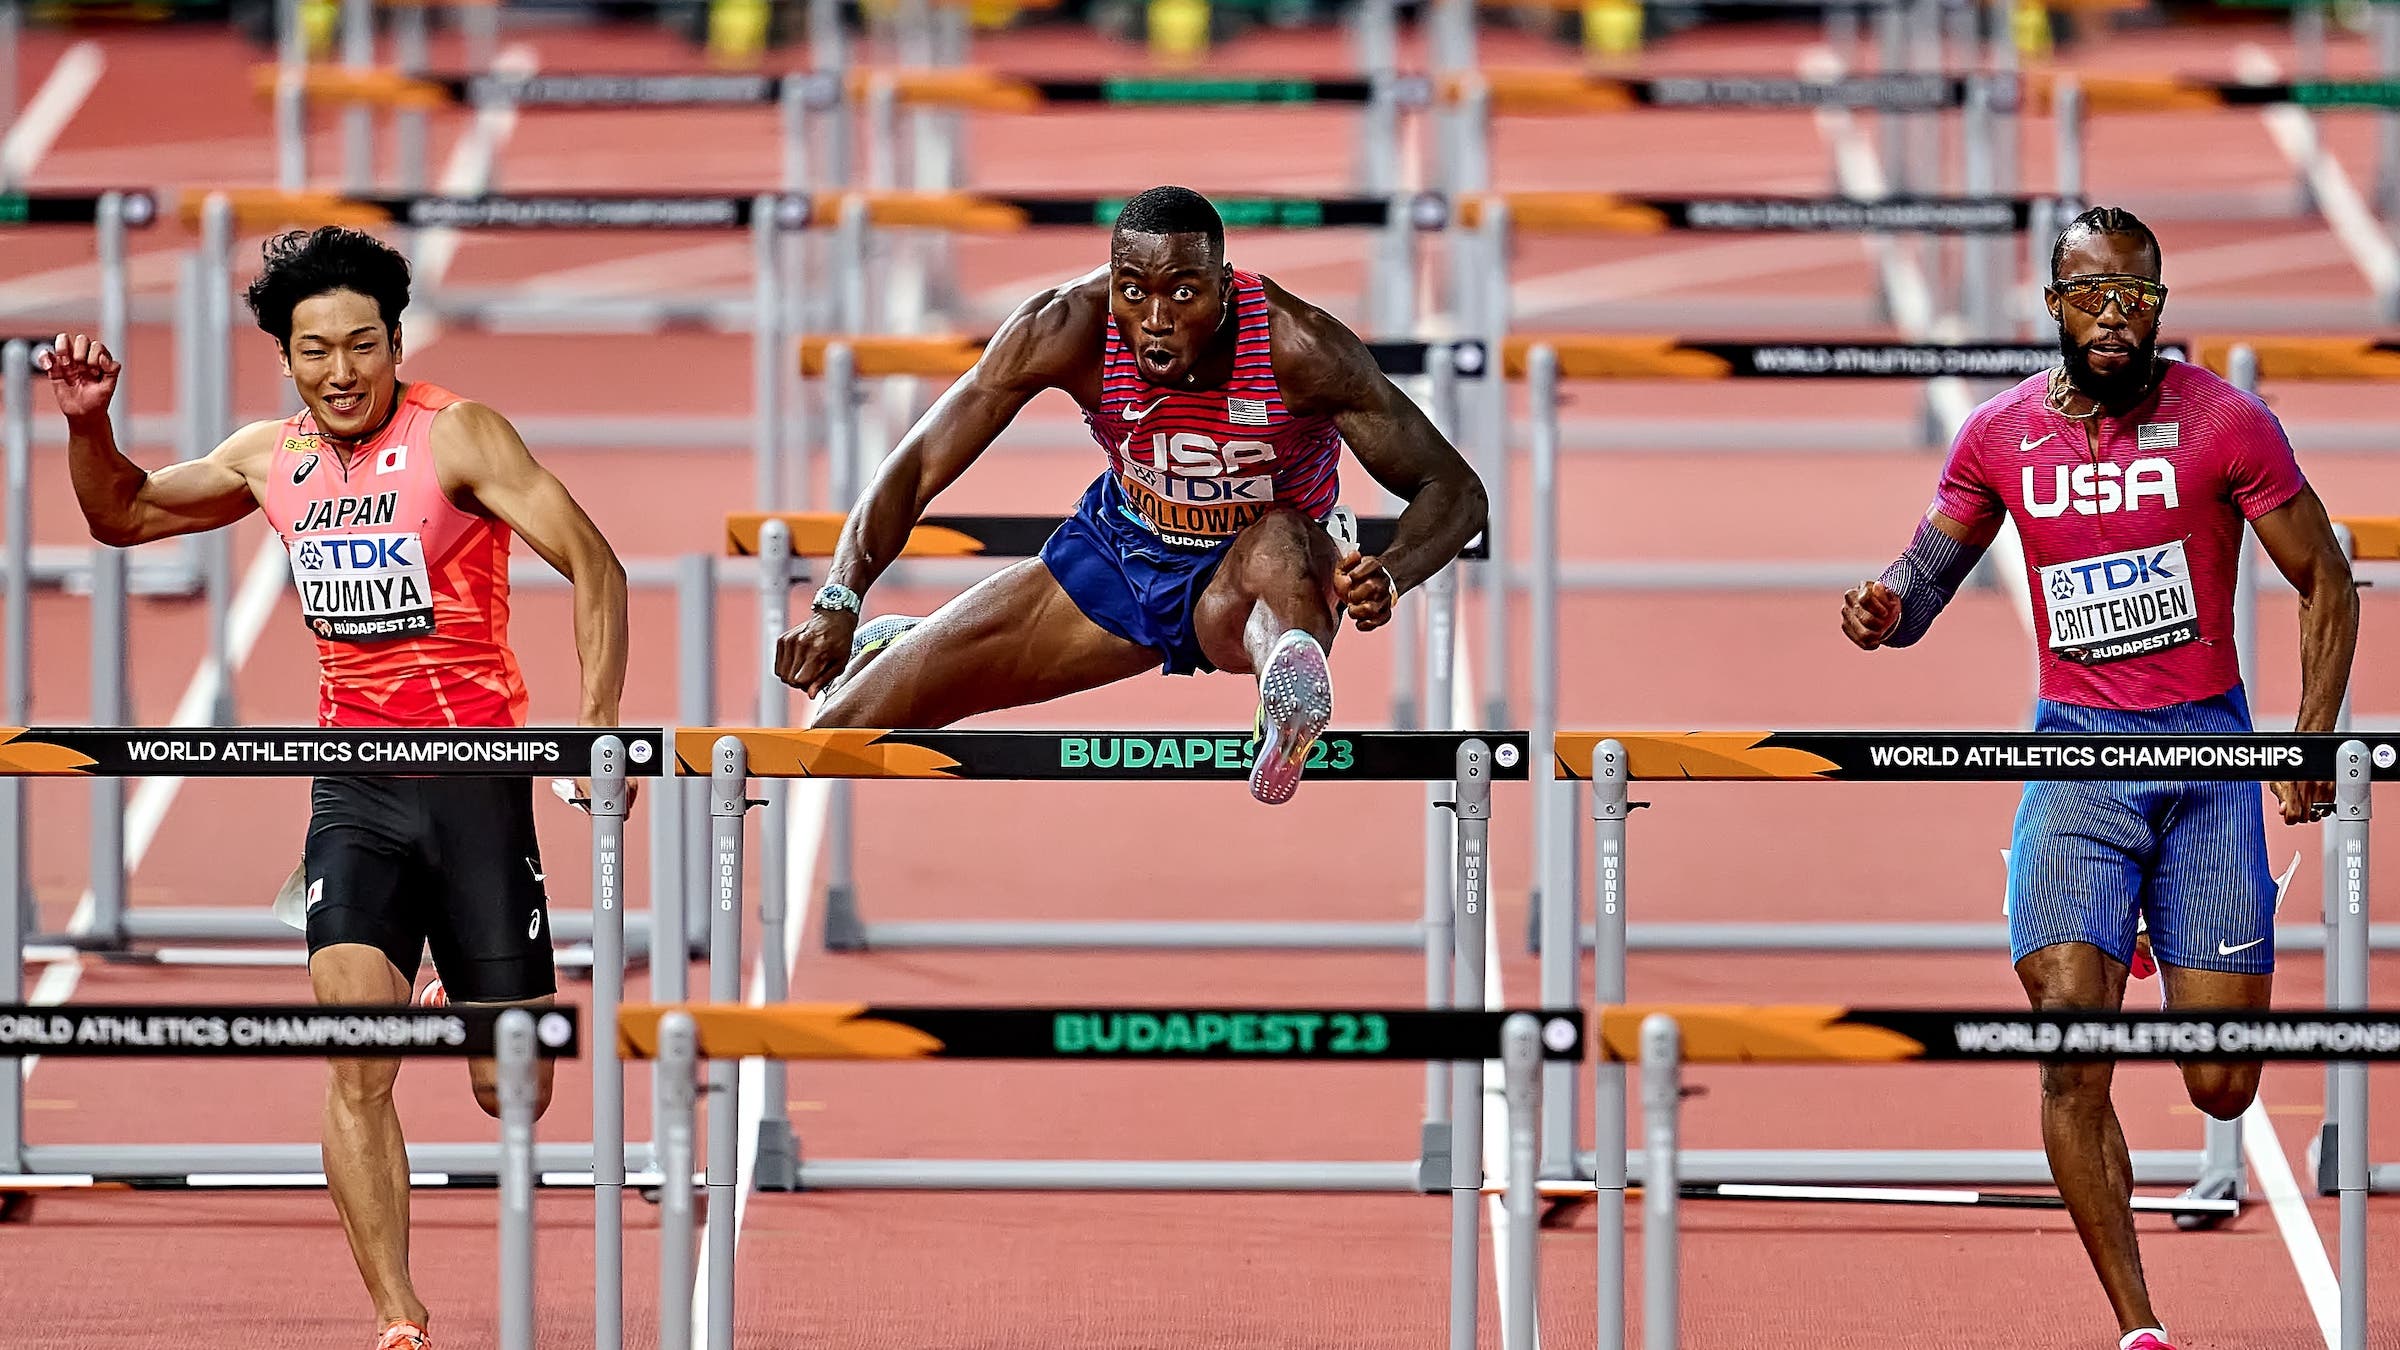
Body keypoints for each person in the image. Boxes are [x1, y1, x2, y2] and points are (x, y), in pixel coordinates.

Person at [43, 225, 630, 1350]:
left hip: (477, 781)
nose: (343, 371)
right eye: (317, 351)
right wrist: (89, 427)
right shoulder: (271, 458)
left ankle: (457, 986)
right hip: (353, 785)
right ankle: (398, 1321)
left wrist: (591, 733)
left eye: (363, 345)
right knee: (354, 1047)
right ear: (287, 360)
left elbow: (593, 562)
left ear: (396, 343)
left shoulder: (459, 436)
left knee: (512, 1088)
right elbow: (120, 516)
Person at [1840, 206, 2358, 1350]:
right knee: (2071, 1040)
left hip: (2208, 761)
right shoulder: (2000, 434)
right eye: (2091, 296)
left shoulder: (2227, 423)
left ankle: (2155, 921)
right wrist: (1886, 605)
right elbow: (1928, 573)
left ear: (2160, 307)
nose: (2113, 319)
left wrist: (2313, 734)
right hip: (2074, 759)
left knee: (2221, 1086)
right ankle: (2140, 1328)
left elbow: (2329, 578)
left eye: (2135, 298)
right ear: (2053, 303)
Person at [773, 185, 1487, 803]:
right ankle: (906, 645)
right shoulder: (1065, 328)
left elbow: (1453, 488)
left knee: (1284, 547)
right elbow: (919, 462)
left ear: (1224, 284)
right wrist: (839, 597)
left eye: (1183, 291)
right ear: (1112, 282)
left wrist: (1391, 574)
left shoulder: (1298, 348)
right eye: (1133, 289)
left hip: (1256, 571)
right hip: (1120, 555)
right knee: (840, 734)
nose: (1155, 317)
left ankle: (1288, 698)